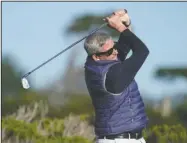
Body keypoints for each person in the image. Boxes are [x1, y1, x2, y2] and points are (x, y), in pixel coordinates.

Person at [84, 9, 149, 143]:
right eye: (109, 51)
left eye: (114, 46)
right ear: (96, 56)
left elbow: (124, 46)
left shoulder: (96, 64)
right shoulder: (112, 75)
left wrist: (126, 25)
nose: (115, 52)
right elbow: (142, 51)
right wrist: (119, 27)